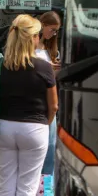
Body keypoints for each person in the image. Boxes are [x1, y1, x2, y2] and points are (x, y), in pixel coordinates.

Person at [0, 15, 56, 196]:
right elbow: (54, 105)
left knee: (7, 187)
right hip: (34, 128)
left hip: (5, 127)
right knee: (27, 188)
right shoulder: (43, 66)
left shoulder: (2, 64)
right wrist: (44, 125)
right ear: (34, 38)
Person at [36, 11, 61, 177]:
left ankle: (46, 193)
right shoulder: (32, 47)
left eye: (56, 31)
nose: (54, 34)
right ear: (42, 25)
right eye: (52, 30)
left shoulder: (52, 50)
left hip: (49, 99)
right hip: (37, 100)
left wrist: (55, 71)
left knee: (51, 146)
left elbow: (54, 80)